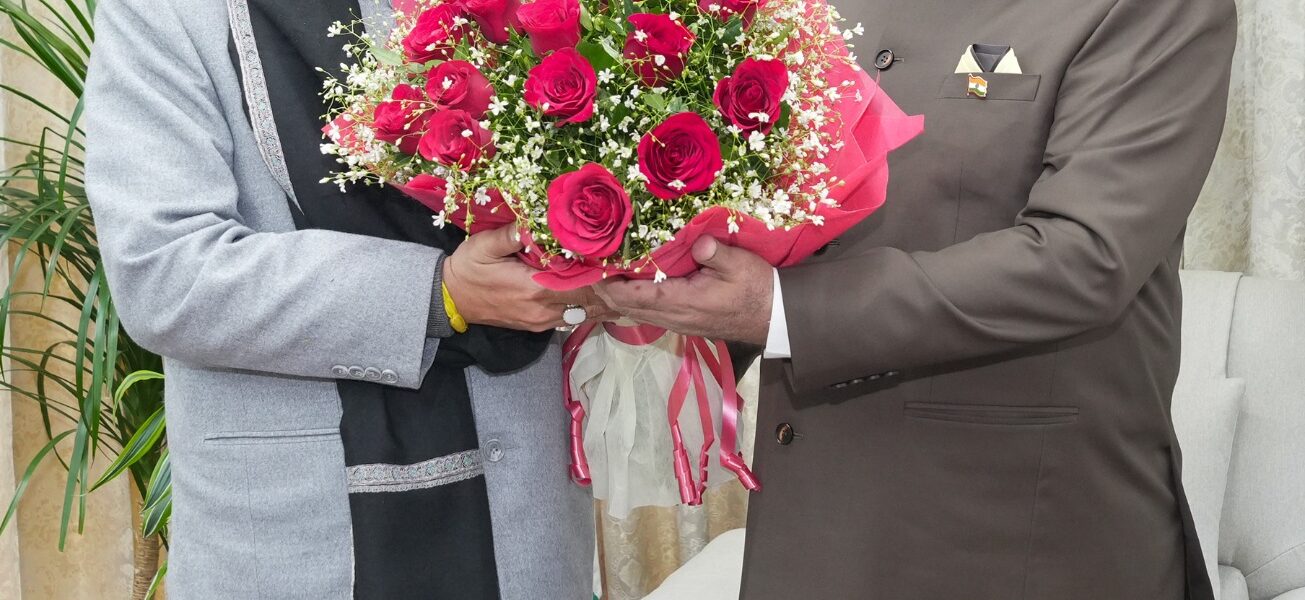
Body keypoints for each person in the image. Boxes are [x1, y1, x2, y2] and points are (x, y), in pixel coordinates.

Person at [596, 0, 1238, 597]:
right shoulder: (811, 10)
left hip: (1014, 535)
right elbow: (773, 216)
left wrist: (783, 310)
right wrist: (642, 278)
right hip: (811, 519)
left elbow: (1084, 256)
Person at [83, 0, 607, 597]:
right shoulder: (164, 12)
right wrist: (439, 293)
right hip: (299, 531)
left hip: (523, 505)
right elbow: (164, 273)